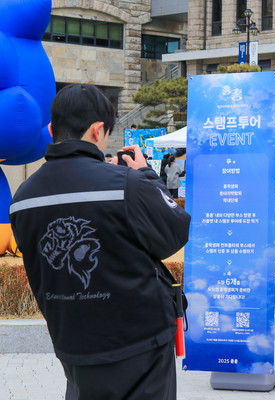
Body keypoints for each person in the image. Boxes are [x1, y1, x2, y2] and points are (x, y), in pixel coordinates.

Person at [9, 84, 191, 400]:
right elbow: (175, 231)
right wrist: (146, 176)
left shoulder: (23, 199)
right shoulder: (128, 185)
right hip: (140, 341)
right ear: (97, 131)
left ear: (52, 129)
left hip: (72, 344)